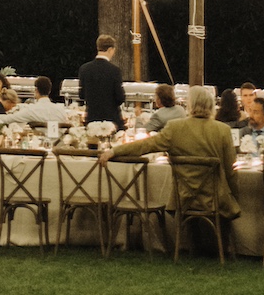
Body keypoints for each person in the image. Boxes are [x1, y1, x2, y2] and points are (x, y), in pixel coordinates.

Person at [102, 86, 241, 222]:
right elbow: (231, 170)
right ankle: (222, 243)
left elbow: (145, 145)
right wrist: (234, 195)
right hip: (215, 200)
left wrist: (114, 151)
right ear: (211, 105)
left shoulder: (175, 128)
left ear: (190, 105)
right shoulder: (223, 130)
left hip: (183, 199)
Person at [78, 33, 126, 130]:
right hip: (111, 120)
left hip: (91, 118)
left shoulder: (84, 69)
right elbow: (120, 98)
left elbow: (82, 95)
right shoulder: (114, 71)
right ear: (110, 49)